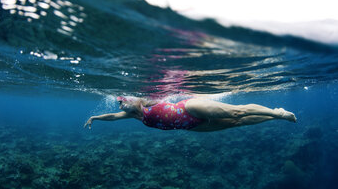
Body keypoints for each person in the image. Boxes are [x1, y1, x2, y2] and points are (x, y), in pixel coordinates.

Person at [84, 96, 297, 132]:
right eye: (119, 103)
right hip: (193, 127)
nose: (120, 105)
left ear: (134, 100)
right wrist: (94, 118)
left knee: (237, 112)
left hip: (190, 108)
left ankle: (278, 113)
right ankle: (272, 116)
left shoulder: (149, 101)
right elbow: (111, 116)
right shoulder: (133, 116)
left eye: (123, 101)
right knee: (234, 123)